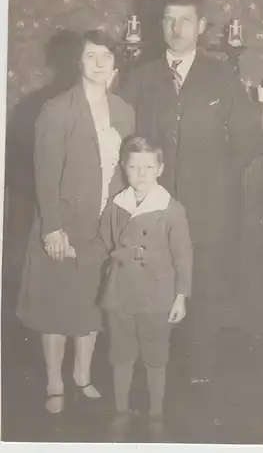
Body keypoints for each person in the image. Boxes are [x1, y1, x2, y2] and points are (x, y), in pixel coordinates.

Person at [119, 0, 263, 380]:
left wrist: (219, 178)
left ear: (201, 26)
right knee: (151, 284)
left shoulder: (222, 77)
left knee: (205, 285)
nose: (176, 27)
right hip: (152, 205)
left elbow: (249, 137)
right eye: (168, 19)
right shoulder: (141, 77)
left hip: (208, 209)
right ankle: (153, 369)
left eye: (184, 19)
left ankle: (199, 372)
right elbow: (123, 133)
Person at [16, 29, 135, 414]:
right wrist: (52, 228)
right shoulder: (58, 109)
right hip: (63, 225)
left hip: (102, 226)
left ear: (115, 65)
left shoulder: (123, 111)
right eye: (91, 56)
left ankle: (82, 377)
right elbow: (44, 174)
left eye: (106, 56)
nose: (99, 64)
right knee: (56, 307)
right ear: (78, 63)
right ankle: (54, 383)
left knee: (89, 307)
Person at [86, 135, 193, 439]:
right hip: (120, 292)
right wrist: (75, 253)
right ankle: (121, 411)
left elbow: (184, 255)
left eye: (148, 166)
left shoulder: (171, 209)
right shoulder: (116, 205)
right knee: (121, 352)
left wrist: (181, 296)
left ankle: (156, 414)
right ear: (124, 168)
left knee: (155, 353)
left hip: (157, 295)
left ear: (160, 168)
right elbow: (102, 243)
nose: (141, 173)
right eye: (134, 167)